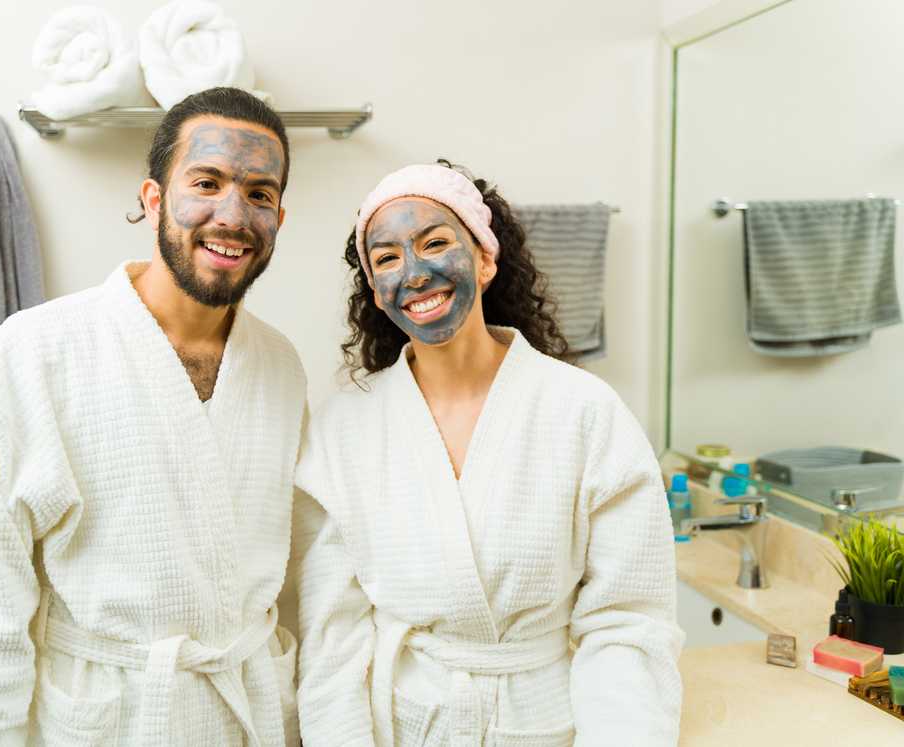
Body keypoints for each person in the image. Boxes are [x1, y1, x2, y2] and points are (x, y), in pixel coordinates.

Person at [0, 87, 305, 746]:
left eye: (260, 194)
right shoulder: (34, 355)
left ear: (279, 218)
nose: (234, 214)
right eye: (207, 182)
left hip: (249, 716)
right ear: (152, 200)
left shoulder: (281, 366)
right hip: (112, 722)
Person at [292, 161, 683, 746]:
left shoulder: (583, 411)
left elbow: (627, 624)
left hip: (545, 725)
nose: (415, 273)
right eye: (388, 258)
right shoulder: (343, 428)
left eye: (435, 243)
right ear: (375, 288)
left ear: (485, 256)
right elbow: (333, 638)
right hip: (402, 727)